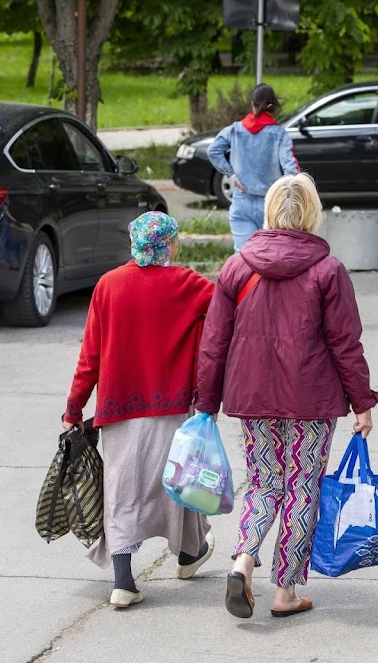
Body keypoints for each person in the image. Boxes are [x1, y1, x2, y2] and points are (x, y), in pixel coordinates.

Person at [195, 173, 378, 619]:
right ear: (312, 214)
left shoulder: (238, 267)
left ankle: (243, 560)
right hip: (311, 400)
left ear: (270, 211)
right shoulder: (327, 271)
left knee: (263, 484)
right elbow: (345, 341)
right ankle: (286, 592)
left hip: (252, 396)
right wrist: (362, 402)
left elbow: (214, 340)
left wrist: (205, 404)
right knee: (302, 488)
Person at [63, 211, 216, 609]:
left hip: (118, 408)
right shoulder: (189, 284)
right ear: (169, 243)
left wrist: (74, 406)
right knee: (178, 484)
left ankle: (123, 581)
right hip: (171, 406)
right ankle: (187, 553)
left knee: (122, 490)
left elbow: (90, 354)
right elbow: (226, 313)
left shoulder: (109, 285)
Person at [207, 83, 300, 252]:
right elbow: (290, 167)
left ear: (252, 104)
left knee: (244, 258)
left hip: (242, 201)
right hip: (271, 204)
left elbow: (213, 151)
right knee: (272, 255)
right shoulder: (279, 134)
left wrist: (232, 175)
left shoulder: (235, 130)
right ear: (272, 107)